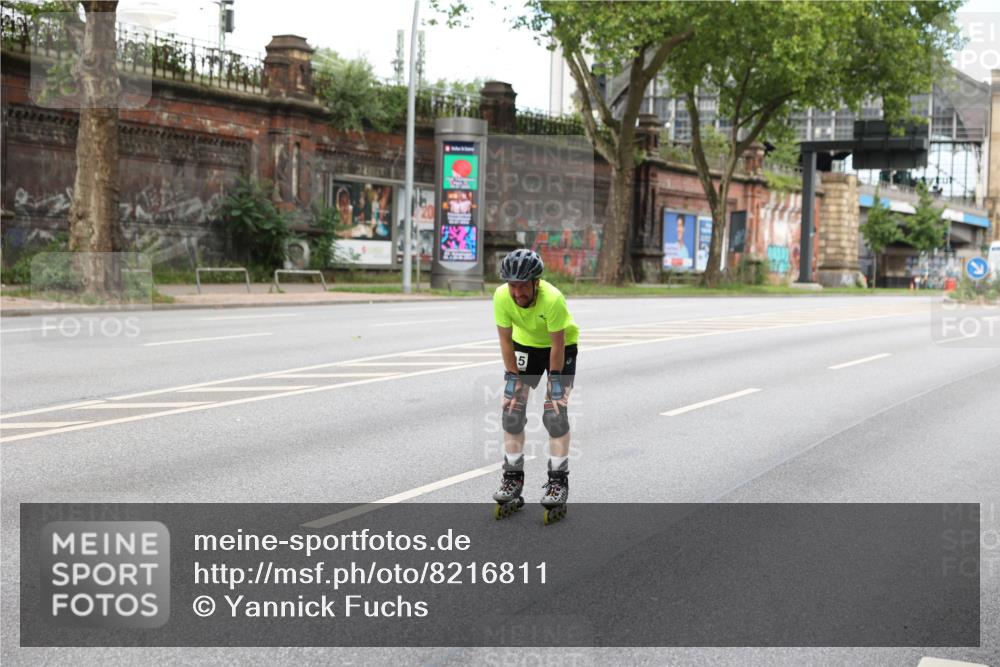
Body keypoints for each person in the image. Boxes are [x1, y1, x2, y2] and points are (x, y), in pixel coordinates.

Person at [491, 248, 579, 524]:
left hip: (560, 348)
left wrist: (556, 385)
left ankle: (558, 482)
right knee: (512, 411)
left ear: (536, 283)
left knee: (555, 414)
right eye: (512, 286)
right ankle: (512, 480)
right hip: (524, 346)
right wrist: (512, 379)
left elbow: (557, 345)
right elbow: (506, 341)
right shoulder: (501, 297)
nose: (517, 293)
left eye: (523, 287)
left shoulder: (552, 299)